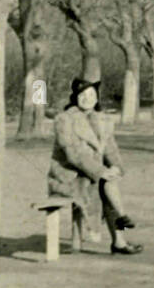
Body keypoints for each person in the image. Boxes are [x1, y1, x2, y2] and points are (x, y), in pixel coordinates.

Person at [48, 78, 143, 255]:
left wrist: (116, 167)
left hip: (92, 174)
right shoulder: (64, 119)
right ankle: (120, 234)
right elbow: (73, 156)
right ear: (75, 98)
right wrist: (101, 171)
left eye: (92, 94)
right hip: (69, 176)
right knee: (105, 182)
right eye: (83, 95)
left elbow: (111, 149)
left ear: (97, 97)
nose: (87, 98)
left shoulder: (103, 120)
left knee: (108, 181)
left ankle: (121, 226)